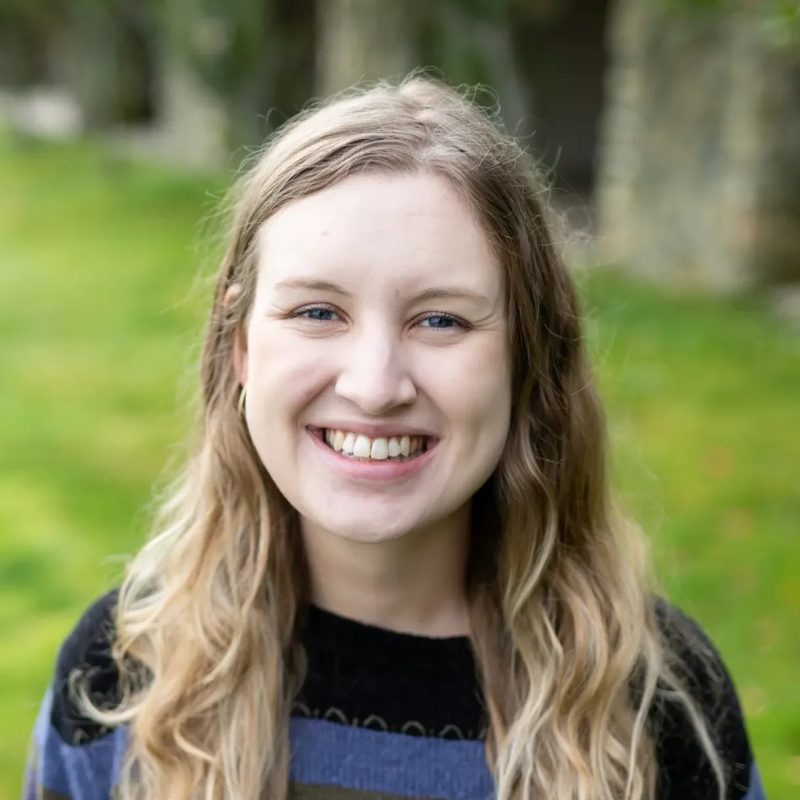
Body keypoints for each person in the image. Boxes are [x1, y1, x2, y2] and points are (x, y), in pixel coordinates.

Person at [24, 76, 764, 800]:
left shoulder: (659, 705)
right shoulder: (122, 678)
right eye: (318, 312)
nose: (375, 386)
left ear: (528, 355)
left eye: (440, 320)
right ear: (240, 344)